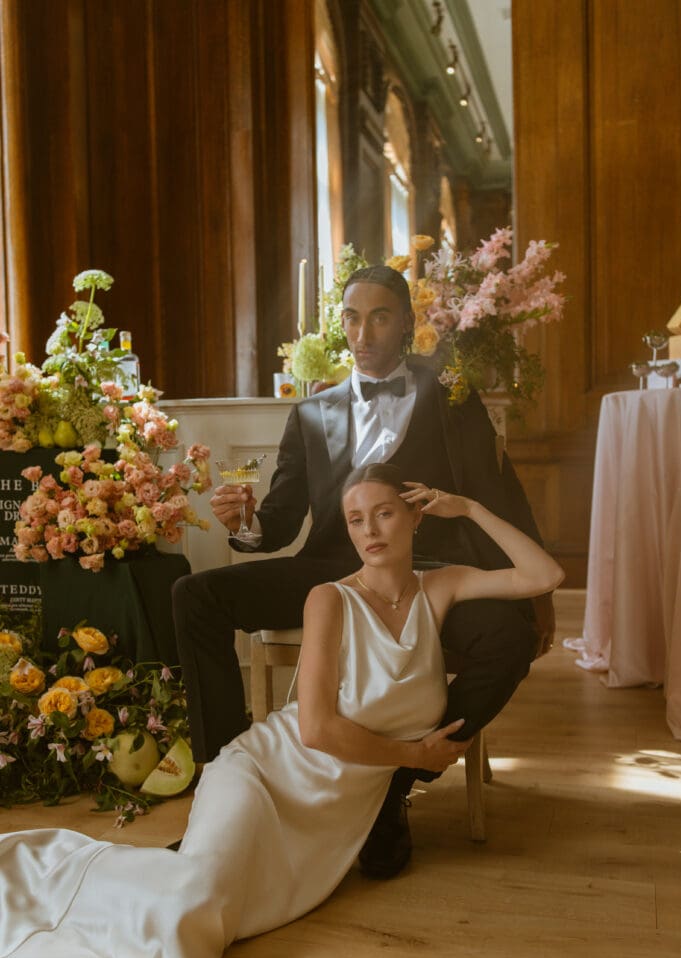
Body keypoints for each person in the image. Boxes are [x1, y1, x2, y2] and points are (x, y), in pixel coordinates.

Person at [0, 464, 564, 958]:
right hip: (265, 772)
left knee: (221, 899)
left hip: (330, 815)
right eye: (356, 519)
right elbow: (315, 730)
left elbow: (545, 574)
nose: (370, 531)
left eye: (385, 514)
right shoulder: (330, 599)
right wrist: (417, 756)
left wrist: (469, 507)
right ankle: (76, 893)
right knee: (192, 910)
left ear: (416, 517)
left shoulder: (441, 587)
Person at [172, 264, 555, 877]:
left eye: (379, 317)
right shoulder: (311, 413)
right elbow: (278, 521)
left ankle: (396, 783)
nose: (363, 332)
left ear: (406, 323)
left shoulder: (452, 398)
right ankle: (225, 783)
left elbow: (495, 490)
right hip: (331, 571)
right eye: (352, 318)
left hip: (427, 573)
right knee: (195, 596)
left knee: (507, 638)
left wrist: (538, 599)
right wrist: (244, 523)